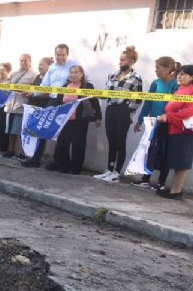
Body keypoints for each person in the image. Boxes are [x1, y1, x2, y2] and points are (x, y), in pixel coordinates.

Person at [94, 46, 144, 183]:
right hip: (111, 109)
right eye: (120, 60)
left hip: (124, 111)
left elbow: (138, 99)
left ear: (131, 61)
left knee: (120, 142)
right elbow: (105, 93)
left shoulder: (136, 78)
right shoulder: (112, 75)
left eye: (123, 60)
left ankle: (117, 172)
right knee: (111, 141)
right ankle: (109, 169)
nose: (120, 63)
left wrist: (129, 113)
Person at [22, 45, 77, 168]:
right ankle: (36, 159)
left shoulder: (73, 65)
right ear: (55, 54)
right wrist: (33, 93)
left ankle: (61, 162)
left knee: (62, 133)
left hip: (65, 101)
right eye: (58, 54)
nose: (60, 57)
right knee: (43, 128)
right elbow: (44, 85)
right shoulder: (52, 67)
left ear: (67, 54)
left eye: (63, 54)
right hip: (52, 100)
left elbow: (83, 79)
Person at [131, 56, 178, 189]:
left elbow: (176, 105)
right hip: (153, 122)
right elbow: (148, 103)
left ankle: (161, 182)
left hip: (167, 123)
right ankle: (145, 178)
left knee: (164, 151)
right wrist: (140, 120)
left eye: (158, 68)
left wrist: (169, 118)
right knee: (150, 150)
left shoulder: (175, 85)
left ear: (168, 69)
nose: (156, 70)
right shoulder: (155, 83)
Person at [46, 65, 102, 174]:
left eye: (76, 72)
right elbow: (58, 102)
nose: (73, 74)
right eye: (71, 72)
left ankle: (76, 168)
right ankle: (63, 165)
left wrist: (98, 117)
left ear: (81, 74)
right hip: (64, 120)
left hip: (80, 121)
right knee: (63, 143)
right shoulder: (64, 86)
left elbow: (94, 102)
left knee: (78, 144)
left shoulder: (87, 86)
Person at [155, 64, 193, 199]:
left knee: (182, 161)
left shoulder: (191, 90)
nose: (179, 76)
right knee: (177, 160)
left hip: (185, 130)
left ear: (192, 77)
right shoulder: (181, 90)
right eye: (179, 73)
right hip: (173, 128)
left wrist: (169, 117)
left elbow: (189, 111)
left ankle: (176, 191)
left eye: (183, 74)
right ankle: (174, 189)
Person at [3, 54, 38, 158]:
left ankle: (23, 152)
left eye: (25, 61)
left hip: (22, 105)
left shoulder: (33, 74)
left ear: (30, 62)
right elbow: (8, 84)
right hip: (11, 105)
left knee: (20, 130)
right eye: (21, 61)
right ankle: (10, 150)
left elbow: (34, 89)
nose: (23, 63)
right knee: (10, 130)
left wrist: (23, 89)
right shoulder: (14, 73)